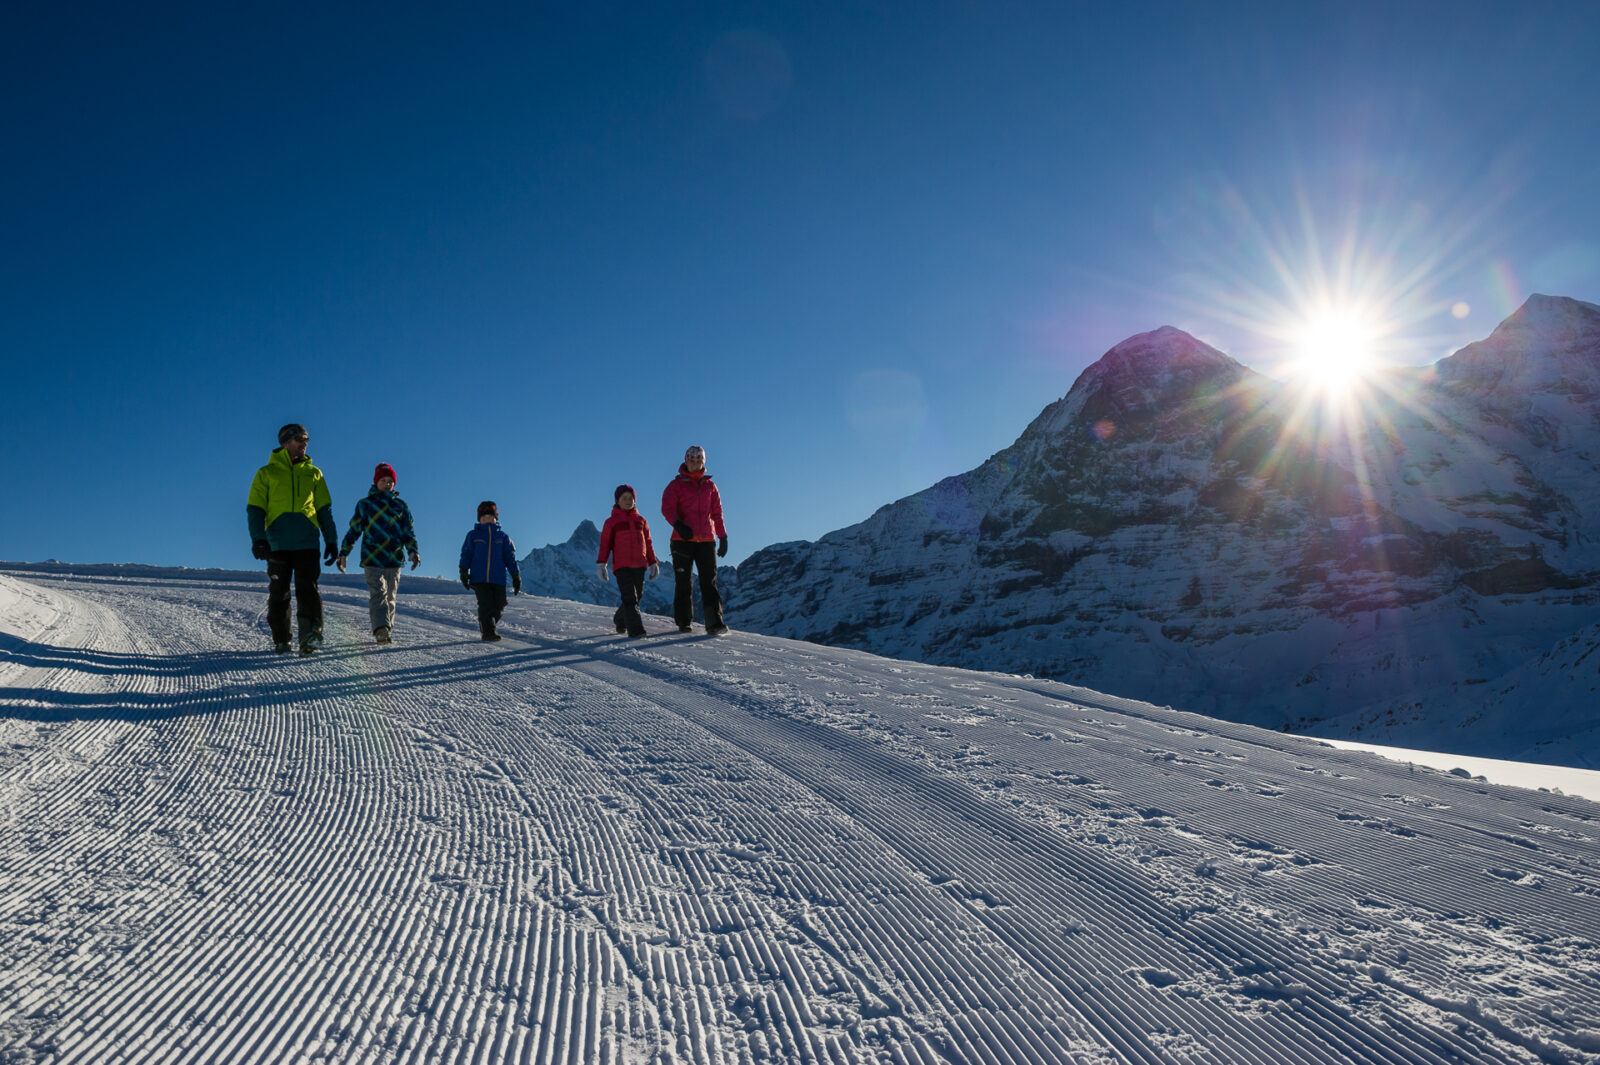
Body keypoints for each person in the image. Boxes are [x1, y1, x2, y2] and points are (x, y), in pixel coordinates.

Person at [246, 423, 339, 655]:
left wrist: (331, 541)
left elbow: (324, 510)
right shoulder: (265, 473)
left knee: (308, 589)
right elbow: (255, 510)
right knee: (279, 591)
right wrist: (258, 539)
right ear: (286, 442)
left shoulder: (314, 473)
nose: (305, 444)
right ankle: (281, 639)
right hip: (277, 544)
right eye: (300, 440)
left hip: (307, 543)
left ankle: (310, 636)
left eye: (306, 440)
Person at [336, 462, 421, 645]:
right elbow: (354, 530)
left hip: (394, 558)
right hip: (372, 557)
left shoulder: (400, 506)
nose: (388, 484)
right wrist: (344, 552)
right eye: (383, 480)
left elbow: (408, 532)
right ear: (376, 482)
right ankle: (381, 630)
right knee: (378, 593)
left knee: (390, 596)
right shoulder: (365, 505)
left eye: (391, 481)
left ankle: (386, 628)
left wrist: (413, 551)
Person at [660, 444, 729, 635]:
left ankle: (714, 623)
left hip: (706, 540)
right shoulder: (676, 485)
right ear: (686, 460)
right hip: (682, 540)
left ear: (703, 462)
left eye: (699, 461)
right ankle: (684, 622)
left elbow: (717, 513)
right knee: (684, 581)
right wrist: (679, 525)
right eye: (692, 461)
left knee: (709, 582)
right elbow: (667, 509)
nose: (695, 464)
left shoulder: (710, 486)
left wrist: (722, 536)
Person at [596, 484, 661, 637]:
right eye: (624, 498)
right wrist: (601, 564)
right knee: (630, 598)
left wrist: (653, 563)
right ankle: (636, 631)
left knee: (636, 597)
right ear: (617, 501)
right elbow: (605, 545)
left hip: (639, 565)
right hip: (622, 566)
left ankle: (620, 619)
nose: (628, 501)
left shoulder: (641, 521)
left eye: (631, 498)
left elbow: (649, 543)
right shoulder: (611, 522)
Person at [459, 500, 521, 641]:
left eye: (490, 517)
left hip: (498, 578)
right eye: (484, 517)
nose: (487, 520)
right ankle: (488, 632)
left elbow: (510, 558)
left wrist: (516, 575)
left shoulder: (503, 537)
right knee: (485, 604)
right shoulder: (473, 535)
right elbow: (466, 554)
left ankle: (486, 623)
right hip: (479, 578)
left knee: (500, 605)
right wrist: (463, 571)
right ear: (479, 519)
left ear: (496, 518)